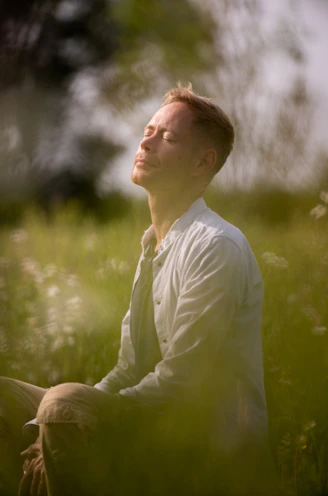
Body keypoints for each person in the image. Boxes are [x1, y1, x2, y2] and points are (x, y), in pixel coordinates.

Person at [0, 84, 276, 496]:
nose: (145, 141)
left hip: (201, 446)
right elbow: (129, 369)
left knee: (60, 405)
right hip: (151, 421)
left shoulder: (216, 245)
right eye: (148, 130)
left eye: (166, 137)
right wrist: (48, 425)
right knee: (10, 398)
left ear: (204, 162)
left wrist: (65, 413)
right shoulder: (153, 245)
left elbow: (183, 381)